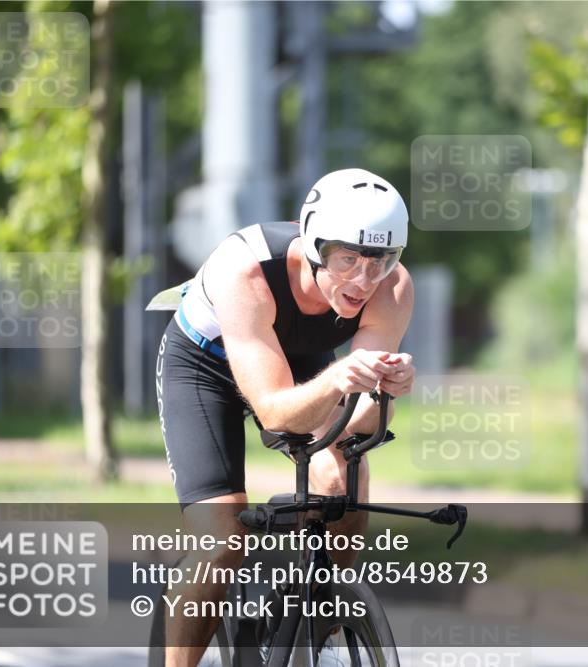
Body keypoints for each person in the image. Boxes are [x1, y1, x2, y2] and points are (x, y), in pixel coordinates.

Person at [155, 168, 415, 666]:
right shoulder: (245, 270)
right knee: (223, 541)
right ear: (314, 243)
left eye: (381, 259)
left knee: (345, 488)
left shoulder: (392, 288)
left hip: (302, 363)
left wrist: (387, 392)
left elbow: (360, 419)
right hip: (204, 365)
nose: (364, 279)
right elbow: (275, 411)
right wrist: (342, 380)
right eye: (347, 258)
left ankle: (315, 625)